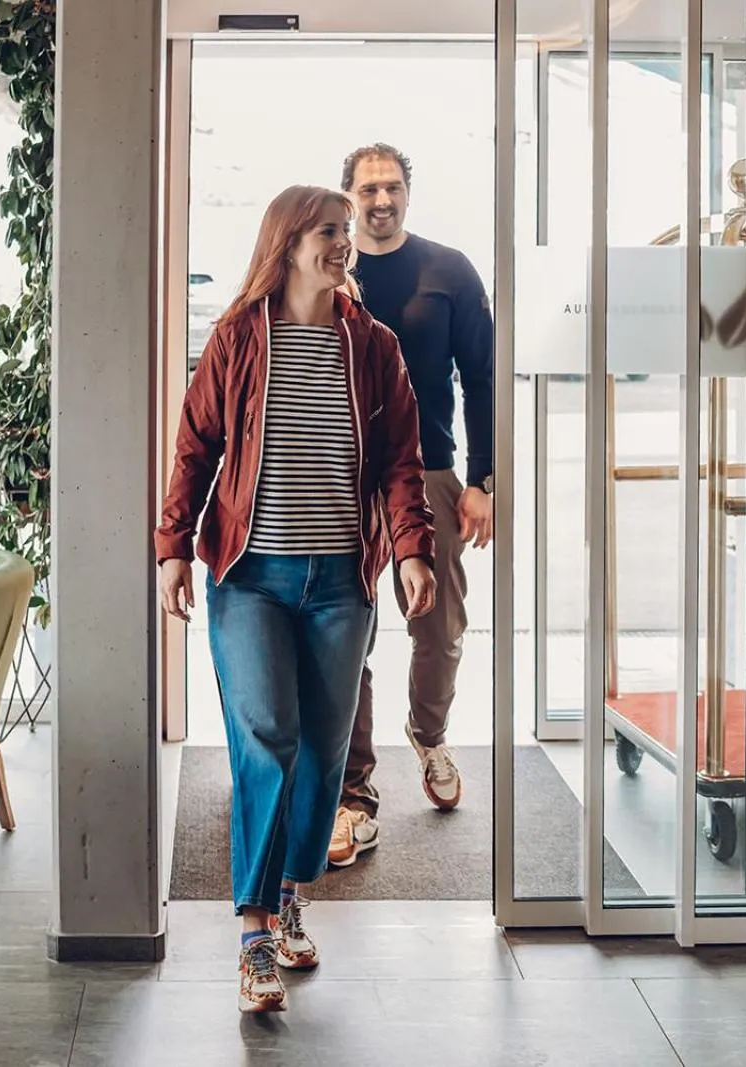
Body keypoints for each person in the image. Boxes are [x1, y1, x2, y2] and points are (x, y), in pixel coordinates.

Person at [155, 184, 437, 1013]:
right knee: (266, 738)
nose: (343, 243)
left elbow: (400, 458)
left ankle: (285, 895)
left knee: (321, 752)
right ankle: (250, 934)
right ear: (286, 242)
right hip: (249, 576)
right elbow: (195, 445)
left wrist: (413, 549)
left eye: (345, 231)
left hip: (340, 584)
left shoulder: (371, 345)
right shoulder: (241, 336)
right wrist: (173, 547)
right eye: (327, 231)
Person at [329, 143, 495, 868]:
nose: (381, 199)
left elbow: (483, 377)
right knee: (349, 633)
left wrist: (483, 480)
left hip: (429, 473)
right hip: (347, 477)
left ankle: (428, 735)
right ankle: (352, 783)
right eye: (368, 188)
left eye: (392, 186)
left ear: (408, 192)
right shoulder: (329, 269)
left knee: (440, 625)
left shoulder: (448, 270)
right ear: (349, 196)